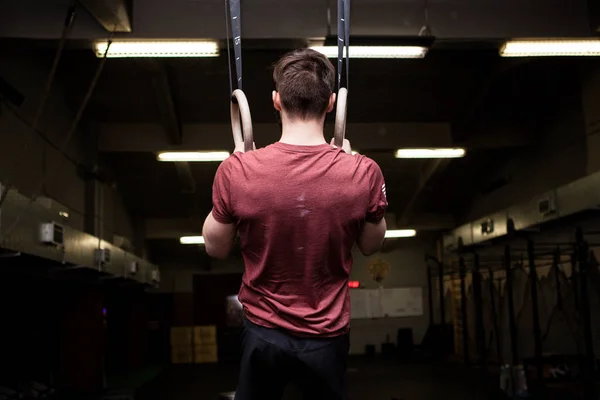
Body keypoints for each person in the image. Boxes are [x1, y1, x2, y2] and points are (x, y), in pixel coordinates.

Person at [202, 48, 388, 400]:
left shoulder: (237, 171)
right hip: (327, 336)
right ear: (331, 103)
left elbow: (215, 247)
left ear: (275, 100)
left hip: (263, 332)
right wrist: (348, 162)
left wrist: (235, 167)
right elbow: (371, 244)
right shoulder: (362, 171)